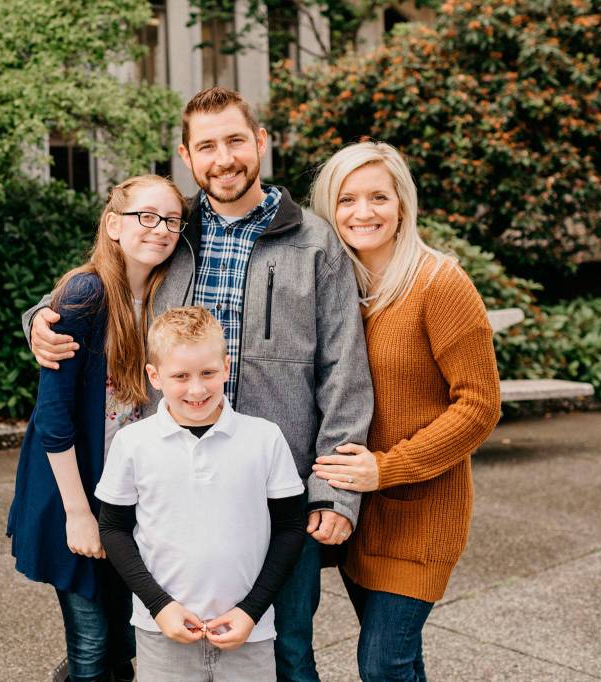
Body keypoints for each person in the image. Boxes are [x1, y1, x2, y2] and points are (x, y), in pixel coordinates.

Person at [26, 87, 374, 681]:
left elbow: (344, 372)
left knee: (288, 652)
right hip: (171, 484)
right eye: (207, 146)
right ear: (188, 157)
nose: (224, 157)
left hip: (274, 490)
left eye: (236, 140)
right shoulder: (174, 232)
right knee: (168, 644)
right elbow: (105, 285)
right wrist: (38, 318)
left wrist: (336, 493)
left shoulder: (316, 244)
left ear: (260, 142)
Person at [307, 141, 502, 681]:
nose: (363, 212)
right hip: (360, 516)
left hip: (421, 514)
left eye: (378, 197)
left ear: (402, 205)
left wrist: (384, 468)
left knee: (382, 665)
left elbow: (480, 407)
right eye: (347, 199)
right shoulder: (342, 288)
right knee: (399, 663)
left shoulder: (439, 284)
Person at [6, 175, 187, 682]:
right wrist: (78, 514)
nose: (160, 229)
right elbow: (54, 417)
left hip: (127, 495)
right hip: (73, 488)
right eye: (145, 216)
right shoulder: (86, 293)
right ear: (113, 224)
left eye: (171, 220)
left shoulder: (163, 292)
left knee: (126, 635)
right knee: (92, 641)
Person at [96, 306, 306, 681]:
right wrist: (160, 606)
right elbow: (113, 529)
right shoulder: (132, 444)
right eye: (180, 376)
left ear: (226, 367)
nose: (197, 389)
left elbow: (290, 527)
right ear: (155, 376)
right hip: (162, 633)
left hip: (248, 632)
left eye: (208, 373)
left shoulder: (264, 437)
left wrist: (251, 610)